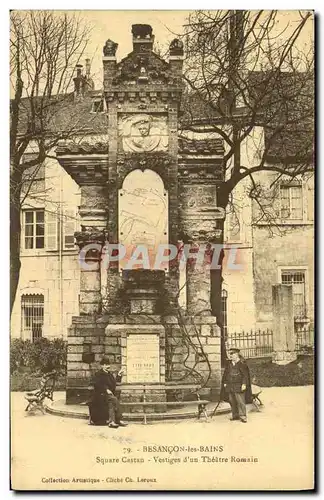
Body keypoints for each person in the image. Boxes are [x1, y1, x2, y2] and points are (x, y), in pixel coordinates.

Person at [88, 356, 127, 428]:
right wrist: (105, 389)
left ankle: (112, 422)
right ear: (102, 366)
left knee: (111, 402)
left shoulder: (110, 374)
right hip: (100, 395)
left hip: (108, 396)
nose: (107, 366)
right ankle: (118, 419)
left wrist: (119, 376)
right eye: (105, 365)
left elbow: (114, 384)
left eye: (108, 365)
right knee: (114, 399)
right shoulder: (98, 374)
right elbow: (97, 384)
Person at [220, 348, 252, 423]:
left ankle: (243, 416)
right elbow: (226, 374)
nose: (231, 356)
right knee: (232, 401)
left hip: (239, 385)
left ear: (237, 355)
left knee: (240, 401)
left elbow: (245, 375)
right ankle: (235, 415)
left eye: (232, 354)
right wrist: (225, 382)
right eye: (230, 354)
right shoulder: (229, 364)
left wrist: (244, 384)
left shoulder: (242, 364)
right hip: (230, 386)